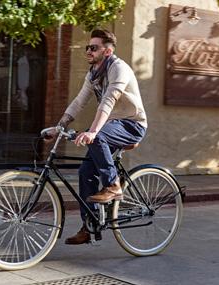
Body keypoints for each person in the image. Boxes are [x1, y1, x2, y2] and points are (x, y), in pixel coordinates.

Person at [50, 29, 148, 245]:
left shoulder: (118, 68)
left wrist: (93, 132)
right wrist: (59, 127)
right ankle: (89, 225)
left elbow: (109, 101)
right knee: (85, 171)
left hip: (132, 124)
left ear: (107, 50)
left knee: (98, 137)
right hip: (112, 125)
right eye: (87, 47)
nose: (88, 51)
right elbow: (79, 102)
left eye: (93, 47)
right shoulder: (93, 73)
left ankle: (113, 185)